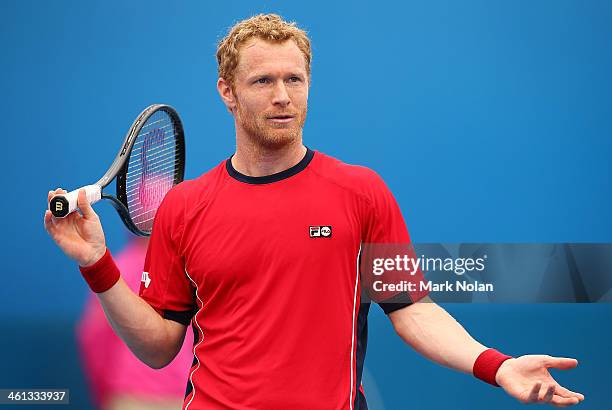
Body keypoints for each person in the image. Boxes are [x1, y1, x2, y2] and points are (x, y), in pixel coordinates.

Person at [45, 14, 585, 409]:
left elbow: (412, 310)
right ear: (227, 92)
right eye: (263, 81)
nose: (283, 95)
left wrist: (498, 366)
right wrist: (96, 262)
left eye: (294, 79)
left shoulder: (362, 192)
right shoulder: (184, 208)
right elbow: (159, 345)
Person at [76, 236, 194, 410]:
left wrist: (107, 396)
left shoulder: (116, 269)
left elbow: (94, 340)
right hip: (184, 398)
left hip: (132, 399)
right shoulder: (194, 271)